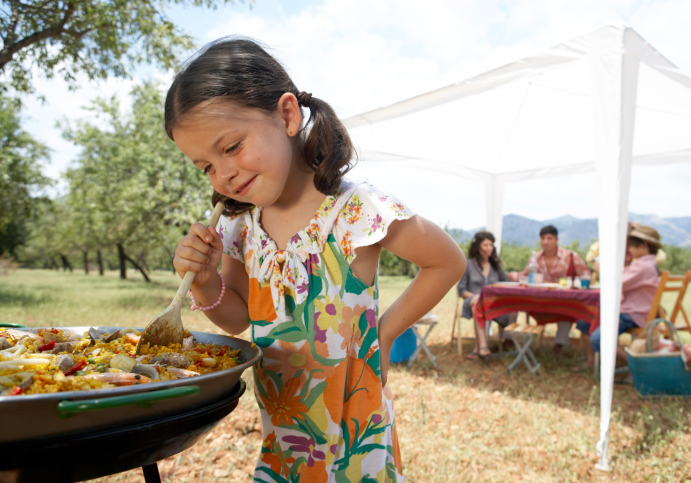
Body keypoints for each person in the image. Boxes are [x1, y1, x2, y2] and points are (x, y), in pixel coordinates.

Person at [166, 38, 466, 482]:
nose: (222, 174)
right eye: (205, 166)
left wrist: (383, 335)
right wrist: (206, 282)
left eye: (230, 148)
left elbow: (447, 262)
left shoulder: (355, 211)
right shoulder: (241, 228)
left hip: (355, 445)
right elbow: (237, 319)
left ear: (287, 115)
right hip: (285, 440)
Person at [576, 226, 662, 370]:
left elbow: (616, 283)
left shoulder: (643, 266)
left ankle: (637, 367)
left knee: (599, 339)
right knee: (586, 320)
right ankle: (593, 362)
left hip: (632, 314)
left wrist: (601, 268)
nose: (629, 249)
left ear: (644, 244)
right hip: (629, 310)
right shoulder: (644, 263)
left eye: (632, 245)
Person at [520, 225, 591, 356]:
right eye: (543, 238)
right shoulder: (535, 258)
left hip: (564, 301)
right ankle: (523, 344)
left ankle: (559, 345)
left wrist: (573, 284)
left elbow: (586, 275)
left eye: (549, 238)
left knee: (567, 311)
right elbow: (525, 276)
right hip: (540, 301)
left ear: (556, 239)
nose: (546, 242)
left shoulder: (570, 256)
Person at [457, 231, 513, 360]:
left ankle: (479, 349)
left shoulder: (495, 265)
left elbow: (506, 284)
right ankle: (483, 346)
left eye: (491, 245)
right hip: (472, 299)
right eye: (485, 245)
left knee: (479, 305)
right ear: (478, 247)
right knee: (477, 302)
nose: (489, 248)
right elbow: (462, 289)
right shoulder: (468, 264)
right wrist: (479, 297)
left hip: (493, 303)